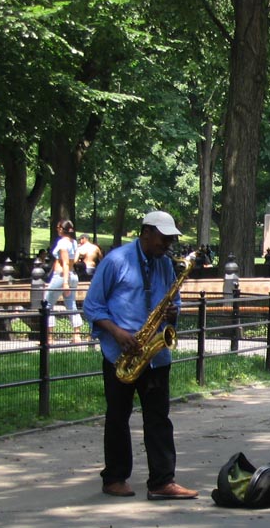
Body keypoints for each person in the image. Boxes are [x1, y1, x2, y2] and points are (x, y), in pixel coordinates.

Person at [83, 211, 198, 501]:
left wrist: (175, 312)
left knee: (159, 418)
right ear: (146, 232)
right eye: (164, 237)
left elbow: (175, 300)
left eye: (171, 238)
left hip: (155, 355)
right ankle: (115, 478)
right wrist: (118, 334)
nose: (168, 243)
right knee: (118, 417)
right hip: (121, 353)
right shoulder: (116, 261)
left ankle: (162, 481)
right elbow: (92, 307)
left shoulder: (166, 265)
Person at [44, 219, 83, 343]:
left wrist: (65, 282)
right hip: (72, 275)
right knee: (71, 305)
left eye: (58, 227)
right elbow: (75, 259)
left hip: (61, 275)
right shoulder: (73, 242)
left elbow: (65, 263)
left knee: (47, 304)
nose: (57, 229)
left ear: (61, 228)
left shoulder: (62, 243)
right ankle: (76, 336)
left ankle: (49, 337)